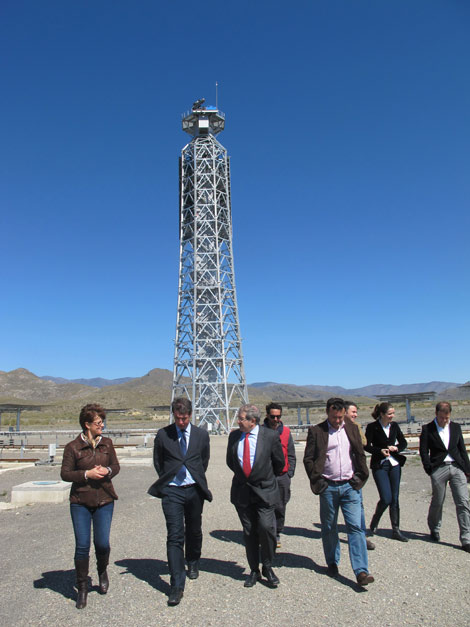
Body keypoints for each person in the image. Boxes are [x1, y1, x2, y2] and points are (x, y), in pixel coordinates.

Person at [148, 397, 212, 606]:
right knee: (174, 535)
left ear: (191, 415)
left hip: (194, 490)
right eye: (177, 418)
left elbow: (204, 461)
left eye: (184, 418)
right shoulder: (163, 434)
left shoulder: (201, 435)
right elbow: (158, 461)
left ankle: (193, 561)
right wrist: (168, 480)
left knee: (193, 530)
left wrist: (194, 476)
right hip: (172, 491)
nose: (181, 422)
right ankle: (176, 585)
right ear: (173, 415)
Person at [303, 397, 374, 586]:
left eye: (340, 417)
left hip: (350, 486)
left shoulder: (351, 428)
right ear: (328, 412)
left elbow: (359, 453)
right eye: (334, 417)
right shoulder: (317, 431)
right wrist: (318, 481)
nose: (337, 420)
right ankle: (332, 562)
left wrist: (360, 477)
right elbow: (308, 459)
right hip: (328, 487)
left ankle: (361, 571)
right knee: (329, 527)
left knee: (356, 528)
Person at [61, 403, 120, 609]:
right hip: (80, 502)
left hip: (105, 500)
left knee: (102, 543)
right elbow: (65, 474)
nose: (102, 425)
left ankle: (102, 569)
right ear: (87, 425)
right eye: (98, 422)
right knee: (82, 546)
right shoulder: (73, 447)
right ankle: (82, 587)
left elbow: (116, 466)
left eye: (102, 421)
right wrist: (87, 474)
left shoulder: (108, 444)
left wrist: (107, 471)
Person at [226, 403, 285, 588]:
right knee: (249, 532)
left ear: (252, 421)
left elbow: (278, 463)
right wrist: (245, 476)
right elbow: (231, 461)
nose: (238, 421)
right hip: (243, 492)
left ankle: (268, 566)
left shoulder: (270, 436)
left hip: (264, 491)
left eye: (241, 418)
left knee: (267, 528)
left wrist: (263, 478)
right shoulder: (235, 436)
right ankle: (254, 570)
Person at [419, 401, 470, 551]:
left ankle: (466, 538)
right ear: (436, 414)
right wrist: (429, 468)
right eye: (442, 418)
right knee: (438, 501)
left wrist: (467, 469)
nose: (444, 421)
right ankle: (434, 528)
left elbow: (462, 449)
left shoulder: (455, 427)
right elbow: (423, 451)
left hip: (456, 467)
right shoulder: (427, 429)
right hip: (438, 469)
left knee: (463, 502)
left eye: (447, 418)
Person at [365, 402, 408, 542]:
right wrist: (380, 451)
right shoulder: (372, 427)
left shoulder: (394, 426)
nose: (392, 416)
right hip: (380, 465)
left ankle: (396, 529)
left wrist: (397, 448)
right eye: (389, 414)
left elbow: (403, 442)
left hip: (394, 464)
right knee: (386, 498)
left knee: (395, 498)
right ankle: (375, 520)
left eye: (393, 413)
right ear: (382, 414)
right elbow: (367, 446)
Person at [263, 402, 296, 548]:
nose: (276, 419)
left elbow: (291, 454)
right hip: (266, 476)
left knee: (281, 505)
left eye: (278, 416)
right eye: (272, 416)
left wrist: (289, 473)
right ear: (267, 415)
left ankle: (277, 532)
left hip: (282, 476)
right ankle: (267, 534)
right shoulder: (259, 431)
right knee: (265, 506)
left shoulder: (286, 432)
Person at [344, 401, 375, 550]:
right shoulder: (334, 427)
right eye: (353, 412)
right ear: (344, 412)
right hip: (341, 472)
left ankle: (361, 536)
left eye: (356, 412)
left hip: (355, 472)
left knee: (358, 505)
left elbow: (364, 442)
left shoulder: (355, 427)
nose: (355, 415)